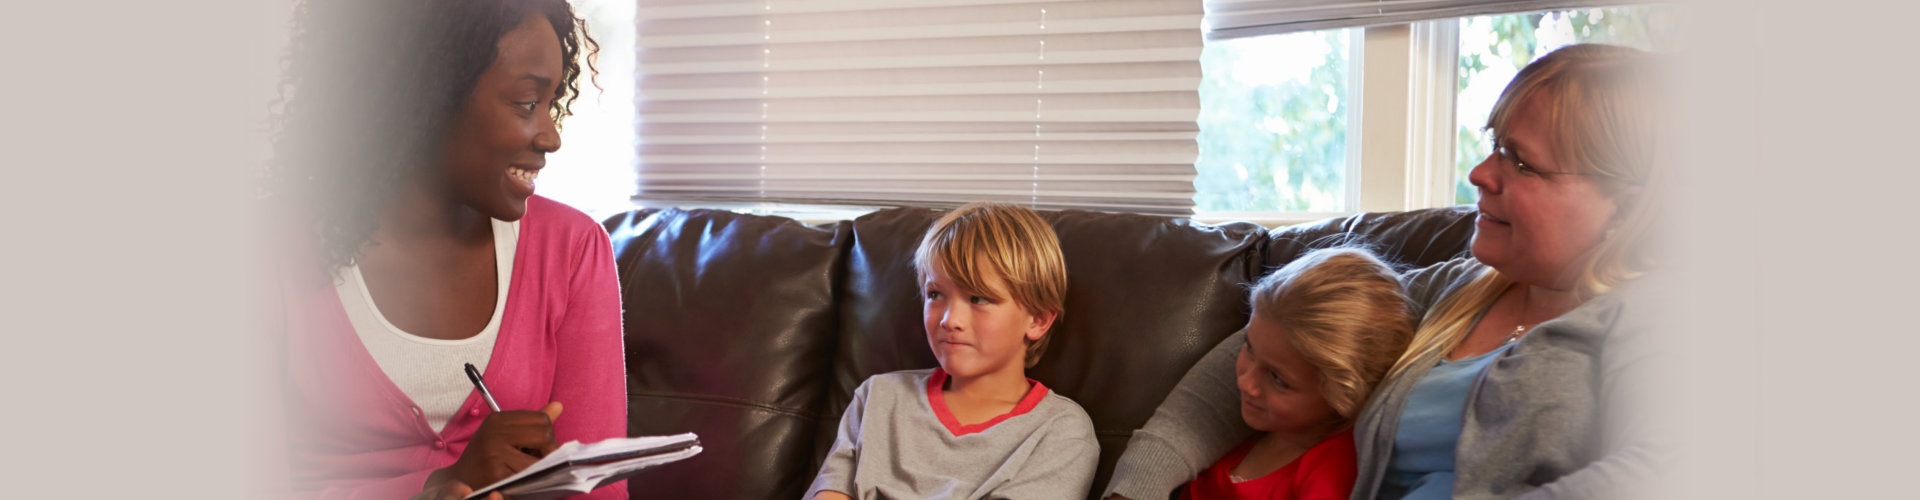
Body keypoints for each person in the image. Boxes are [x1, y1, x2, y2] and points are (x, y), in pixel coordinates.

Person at [1104, 43, 1665, 500]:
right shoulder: (1453, 289)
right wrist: (1132, 492)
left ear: (1623, 206)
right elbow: (1273, 343)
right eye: (1494, 147)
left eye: (1521, 162)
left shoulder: (1656, 321)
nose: (1479, 172)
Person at [266, 0, 626, 498]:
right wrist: (434, 488)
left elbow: (599, 491)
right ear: (429, 97)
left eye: (551, 103)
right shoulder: (267, 257)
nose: (551, 135)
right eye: (526, 103)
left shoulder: (572, 250)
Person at [806, 203, 1100, 500]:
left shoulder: (1060, 430)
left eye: (978, 298)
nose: (949, 320)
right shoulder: (877, 397)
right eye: (935, 295)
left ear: (1037, 320)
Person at [1179, 249, 1414, 500]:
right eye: (1249, 348)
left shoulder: (1332, 468)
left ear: (1345, 397)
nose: (1246, 383)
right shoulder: (1247, 432)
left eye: (1278, 379)